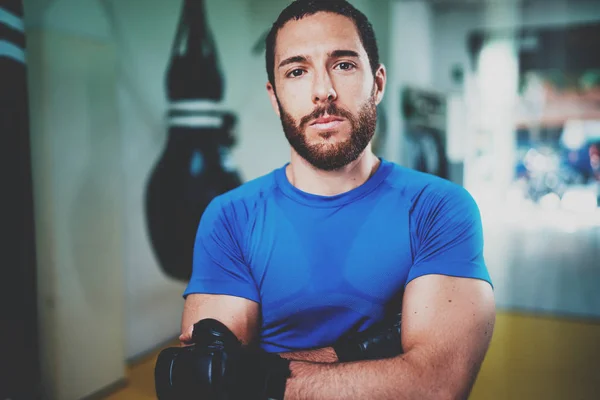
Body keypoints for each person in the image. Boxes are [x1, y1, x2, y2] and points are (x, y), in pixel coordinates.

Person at [175, 1, 495, 399]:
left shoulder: (439, 208)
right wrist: (376, 347)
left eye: (343, 65)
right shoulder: (230, 217)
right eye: (296, 71)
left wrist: (254, 376)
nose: (322, 91)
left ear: (377, 83)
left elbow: (435, 386)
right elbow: (206, 384)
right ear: (274, 97)